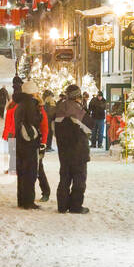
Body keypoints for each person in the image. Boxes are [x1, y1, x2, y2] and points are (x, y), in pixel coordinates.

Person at [53, 84, 92, 213]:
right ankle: (76, 206)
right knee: (79, 179)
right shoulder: (77, 110)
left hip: (64, 151)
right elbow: (90, 126)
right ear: (77, 96)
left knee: (64, 178)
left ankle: (62, 206)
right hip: (78, 150)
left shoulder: (59, 108)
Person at [13, 89, 45, 209]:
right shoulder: (30, 103)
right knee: (30, 172)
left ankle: (21, 200)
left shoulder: (20, 103)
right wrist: (39, 114)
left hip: (20, 141)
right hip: (29, 143)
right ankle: (28, 201)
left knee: (21, 172)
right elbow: (35, 121)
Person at [35, 94, 52, 202]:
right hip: (31, 142)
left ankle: (46, 191)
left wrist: (43, 143)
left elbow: (45, 128)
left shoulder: (41, 111)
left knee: (39, 168)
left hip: (39, 143)